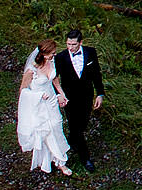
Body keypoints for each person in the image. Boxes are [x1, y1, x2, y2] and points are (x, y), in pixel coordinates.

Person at [16, 39, 71, 175]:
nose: (54, 55)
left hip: (52, 101)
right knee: (47, 131)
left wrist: (61, 93)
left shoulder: (51, 62)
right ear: (44, 54)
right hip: (39, 105)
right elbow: (23, 90)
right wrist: (39, 95)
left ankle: (59, 160)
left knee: (57, 126)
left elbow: (54, 78)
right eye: (52, 53)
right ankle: (57, 161)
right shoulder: (32, 70)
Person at [58, 27, 106, 172]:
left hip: (86, 95)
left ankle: (72, 141)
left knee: (83, 123)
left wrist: (100, 93)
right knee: (76, 127)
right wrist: (59, 94)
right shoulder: (60, 57)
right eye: (68, 44)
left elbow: (96, 74)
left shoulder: (91, 52)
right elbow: (54, 78)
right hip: (69, 97)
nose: (71, 48)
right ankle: (86, 158)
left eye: (74, 44)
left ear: (81, 43)